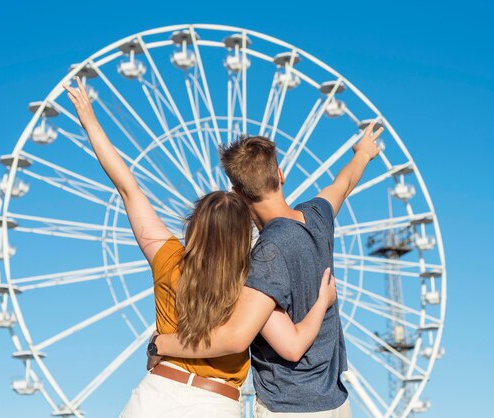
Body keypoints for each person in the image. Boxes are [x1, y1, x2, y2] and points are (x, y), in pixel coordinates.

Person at [63, 79, 338, 418]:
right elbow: (293, 346)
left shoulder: (168, 259)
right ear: (243, 235)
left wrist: (90, 121)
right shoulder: (253, 283)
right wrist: (322, 302)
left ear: (195, 223)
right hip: (215, 403)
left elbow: (127, 188)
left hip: (155, 395)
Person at [151, 123, 382, 417]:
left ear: (237, 194)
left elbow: (241, 338)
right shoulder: (317, 216)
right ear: (281, 175)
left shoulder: (265, 258)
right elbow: (343, 183)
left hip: (290, 405)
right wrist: (363, 153)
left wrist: (160, 343)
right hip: (336, 401)